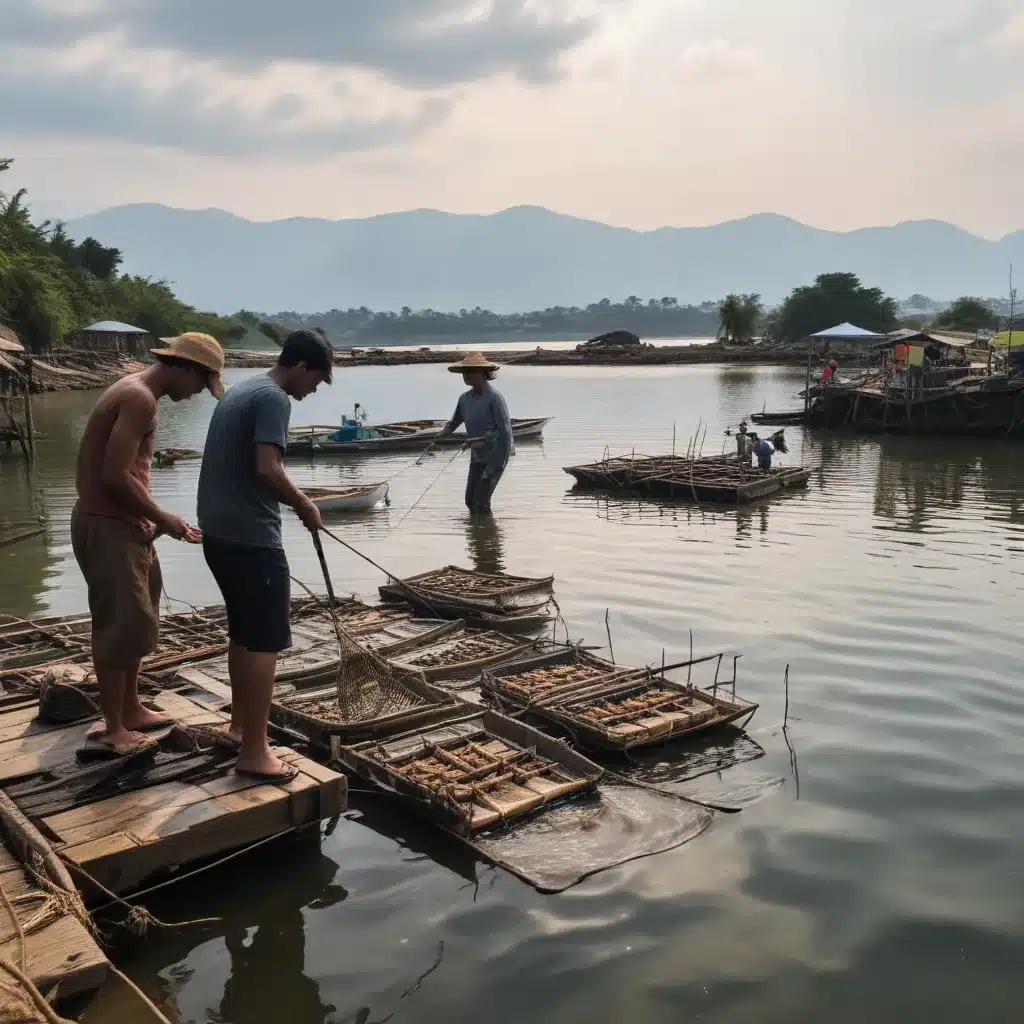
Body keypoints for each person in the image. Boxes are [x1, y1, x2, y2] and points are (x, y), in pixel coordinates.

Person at [72, 332, 225, 758]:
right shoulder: (139, 398)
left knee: (140, 619)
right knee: (118, 625)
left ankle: (132, 708)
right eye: (200, 384)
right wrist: (165, 518)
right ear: (187, 368)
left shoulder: (137, 392)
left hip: (125, 526)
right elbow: (116, 475)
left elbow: (124, 475)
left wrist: (149, 520)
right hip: (108, 528)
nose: (197, 395)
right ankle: (113, 730)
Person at [197, 330, 332, 782]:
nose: (312, 390)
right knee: (267, 640)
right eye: (315, 380)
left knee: (244, 633)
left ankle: (240, 729)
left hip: (219, 534)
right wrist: (305, 504)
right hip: (252, 539)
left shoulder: (241, 390)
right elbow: (267, 467)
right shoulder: (274, 398)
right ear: (298, 367)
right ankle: (255, 752)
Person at [441, 352, 514, 515]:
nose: (466, 376)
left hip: (496, 455)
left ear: (482, 372)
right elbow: (453, 423)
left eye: (470, 371)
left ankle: (488, 537)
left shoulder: (495, 398)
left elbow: (506, 435)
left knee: (481, 502)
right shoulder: (464, 399)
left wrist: (494, 467)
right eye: (464, 372)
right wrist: (439, 437)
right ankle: (479, 536)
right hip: (477, 455)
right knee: (469, 501)